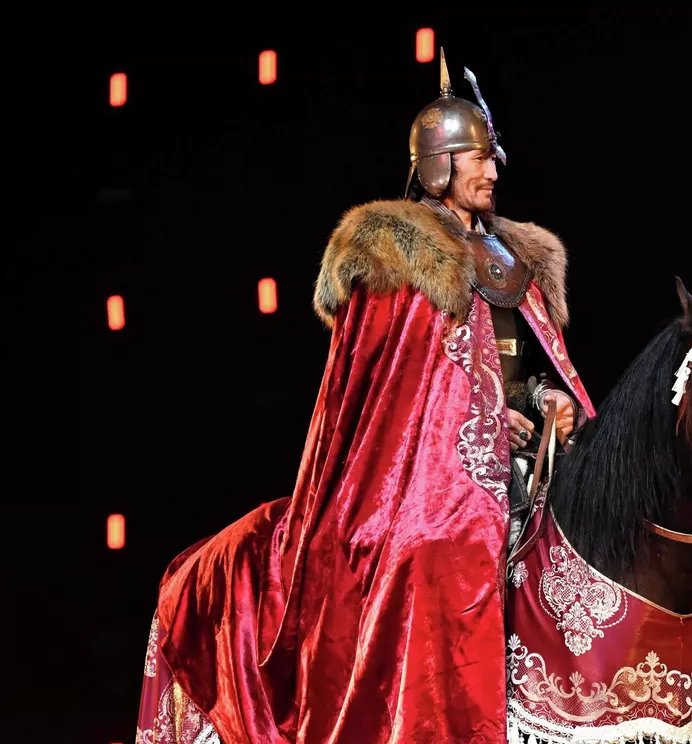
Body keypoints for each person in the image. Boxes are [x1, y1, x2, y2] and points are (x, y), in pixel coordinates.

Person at [134, 49, 595, 744]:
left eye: (494, 158)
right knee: (431, 552)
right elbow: (399, 396)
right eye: (478, 159)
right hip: (423, 483)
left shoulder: (512, 258)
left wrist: (548, 401)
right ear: (438, 165)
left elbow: (527, 367)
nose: (494, 172)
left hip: (528, 466)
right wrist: (480, 420)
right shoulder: (399, 256)